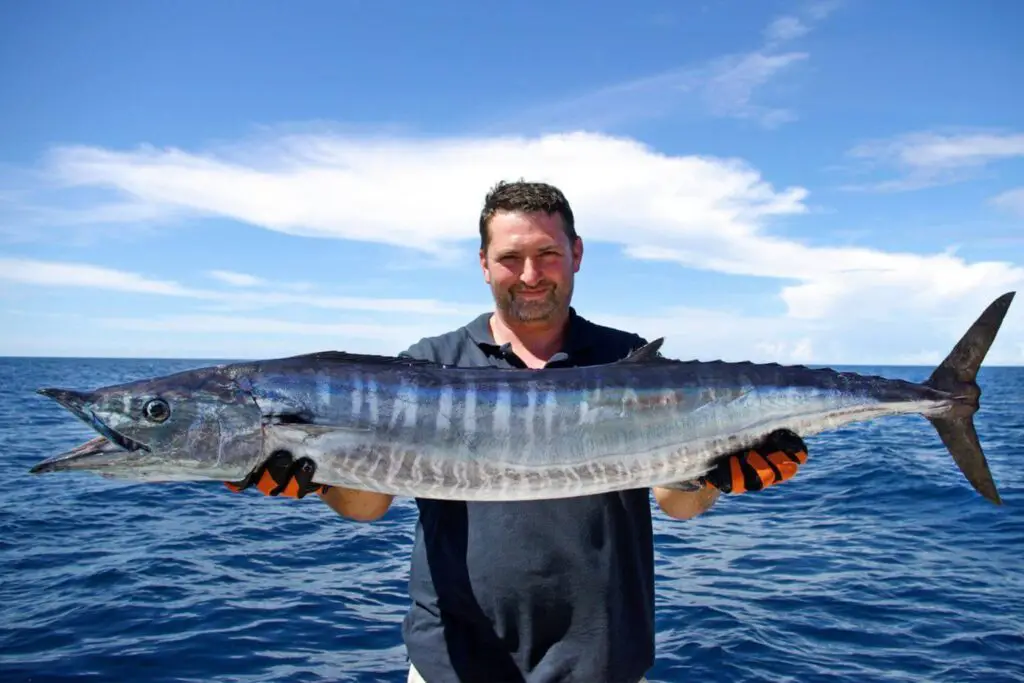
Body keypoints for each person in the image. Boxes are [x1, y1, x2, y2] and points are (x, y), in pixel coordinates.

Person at [228, 180, 810, 683]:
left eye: (547, 254)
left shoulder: (625, 359)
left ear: (576, 254)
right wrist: (319, 481)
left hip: (603, 661)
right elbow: (368, 504)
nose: (530, 275)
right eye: (510, 258)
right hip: (453, 661)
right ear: (483, 263)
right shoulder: (427, 364)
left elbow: (678, 503)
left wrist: (720, 476)